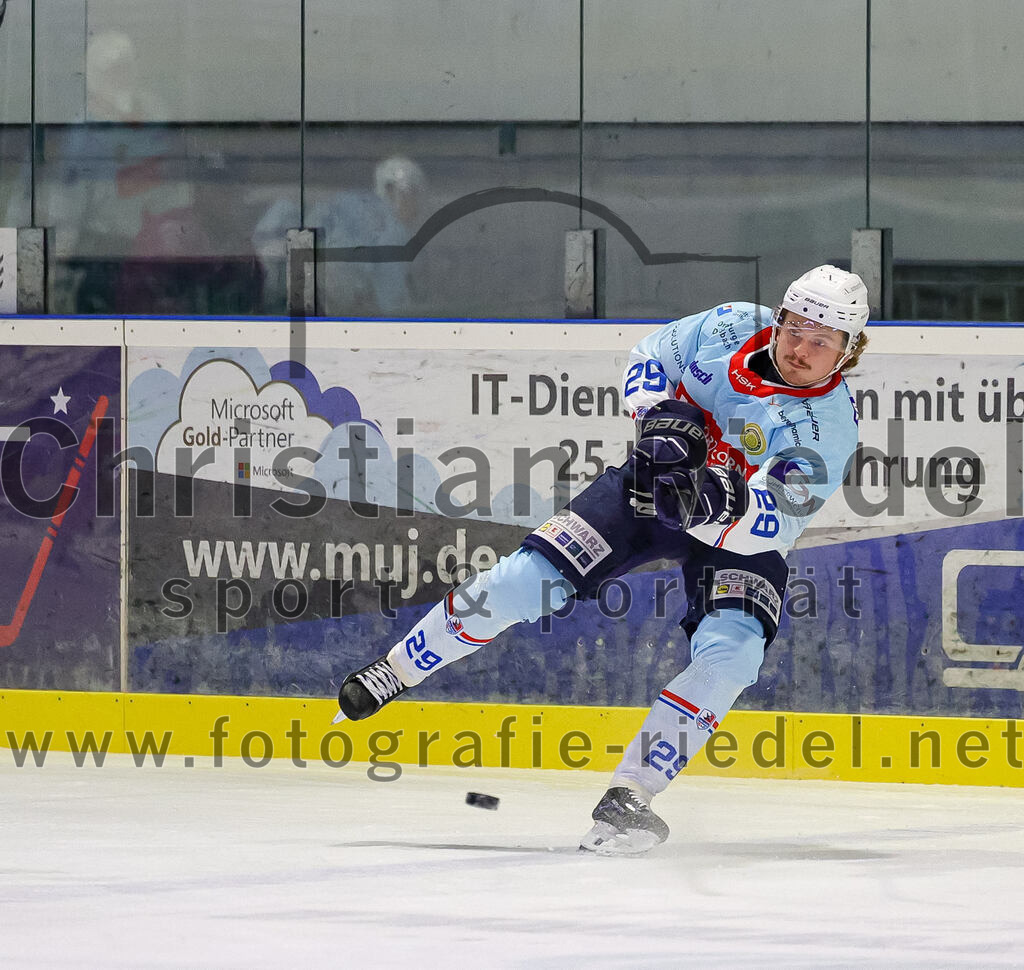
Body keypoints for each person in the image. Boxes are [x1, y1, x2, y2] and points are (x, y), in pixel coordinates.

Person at [335, 264, 870, 855]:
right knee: (521, 583)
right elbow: (647, 358)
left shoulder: (828, 428)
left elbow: (779, 520)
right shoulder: (728, 325)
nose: (801, 348)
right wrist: (655, 422)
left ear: (848, 352)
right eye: (796, 328)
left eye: (823, 341)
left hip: (734, 532)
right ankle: (395, 671)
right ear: (780, 317)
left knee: (735, 651)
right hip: (647, 491)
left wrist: (720, 503)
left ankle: (632, 794)